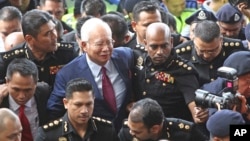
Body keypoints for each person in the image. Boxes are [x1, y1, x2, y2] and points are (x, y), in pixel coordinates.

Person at [47, 18, 134, 131]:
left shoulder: (125, 56)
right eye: (99, 44)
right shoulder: (68, 74)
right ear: (84, 45)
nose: (106, 48)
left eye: (109, 42)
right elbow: (54, 111)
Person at [133, 22, 200, 123]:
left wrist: (199, 115)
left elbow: (195, 110)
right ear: (145, 44)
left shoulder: (184, 71)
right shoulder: (137, 58)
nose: (159, 52)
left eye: (164, 46)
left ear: (171, 42)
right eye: (154, 47)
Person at [0, 9, 78, 87]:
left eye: (53, 29)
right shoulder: (9, 60)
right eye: (47, 34)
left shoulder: (69, 53)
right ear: (30, 39)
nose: (55, 36)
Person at [36, 78, 119, 141]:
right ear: (66, 103)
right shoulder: (48, 135)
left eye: (89, 104)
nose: (84, 111)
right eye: (78, 105)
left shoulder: (106, 130)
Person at [175, 20, 246, 87]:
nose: (206, 55)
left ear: (221, 40)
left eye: (212, 51)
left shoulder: (236, 49)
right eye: (201, 51)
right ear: (194, 40)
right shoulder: (180, 55)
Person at [0, 58, 51, 140]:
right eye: (16, 89)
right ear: (7, 82)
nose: (22, 96)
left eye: (28, 90)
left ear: (36, 83)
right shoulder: (2, 99)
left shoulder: (44, 92)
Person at [119, 98, 207, 141]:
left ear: (155, 129)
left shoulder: (186, 133)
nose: (131, 133)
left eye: (137, 132)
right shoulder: (126, 132)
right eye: (130, 128)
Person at [201, 51, 250, 123]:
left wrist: (247, 111)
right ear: (233, 80)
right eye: (248, 81)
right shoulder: (215, 97)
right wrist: (231, 118)